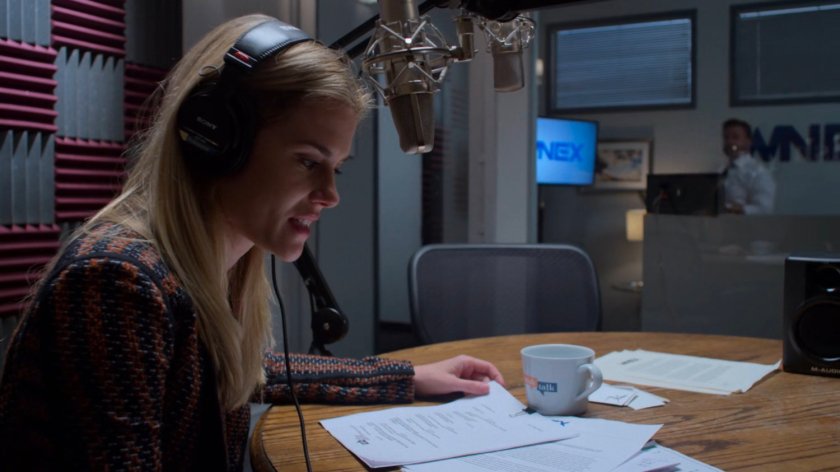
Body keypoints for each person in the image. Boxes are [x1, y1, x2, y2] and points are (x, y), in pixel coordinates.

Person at [0, 14, 503, 470]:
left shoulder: (208, 264)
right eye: (308, 162)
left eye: (336, 168)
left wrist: (409, 376)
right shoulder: (117, 282)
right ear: (217, 139)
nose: (330, 195)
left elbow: (247, 373)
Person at [721, 118, 776, 214]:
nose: (729, 142)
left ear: (748, 142)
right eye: (726, 137)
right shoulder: (722, 170)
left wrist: (739, 209)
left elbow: (764, 208)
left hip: (743, 223)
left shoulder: (758, 172)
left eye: (735, 137)